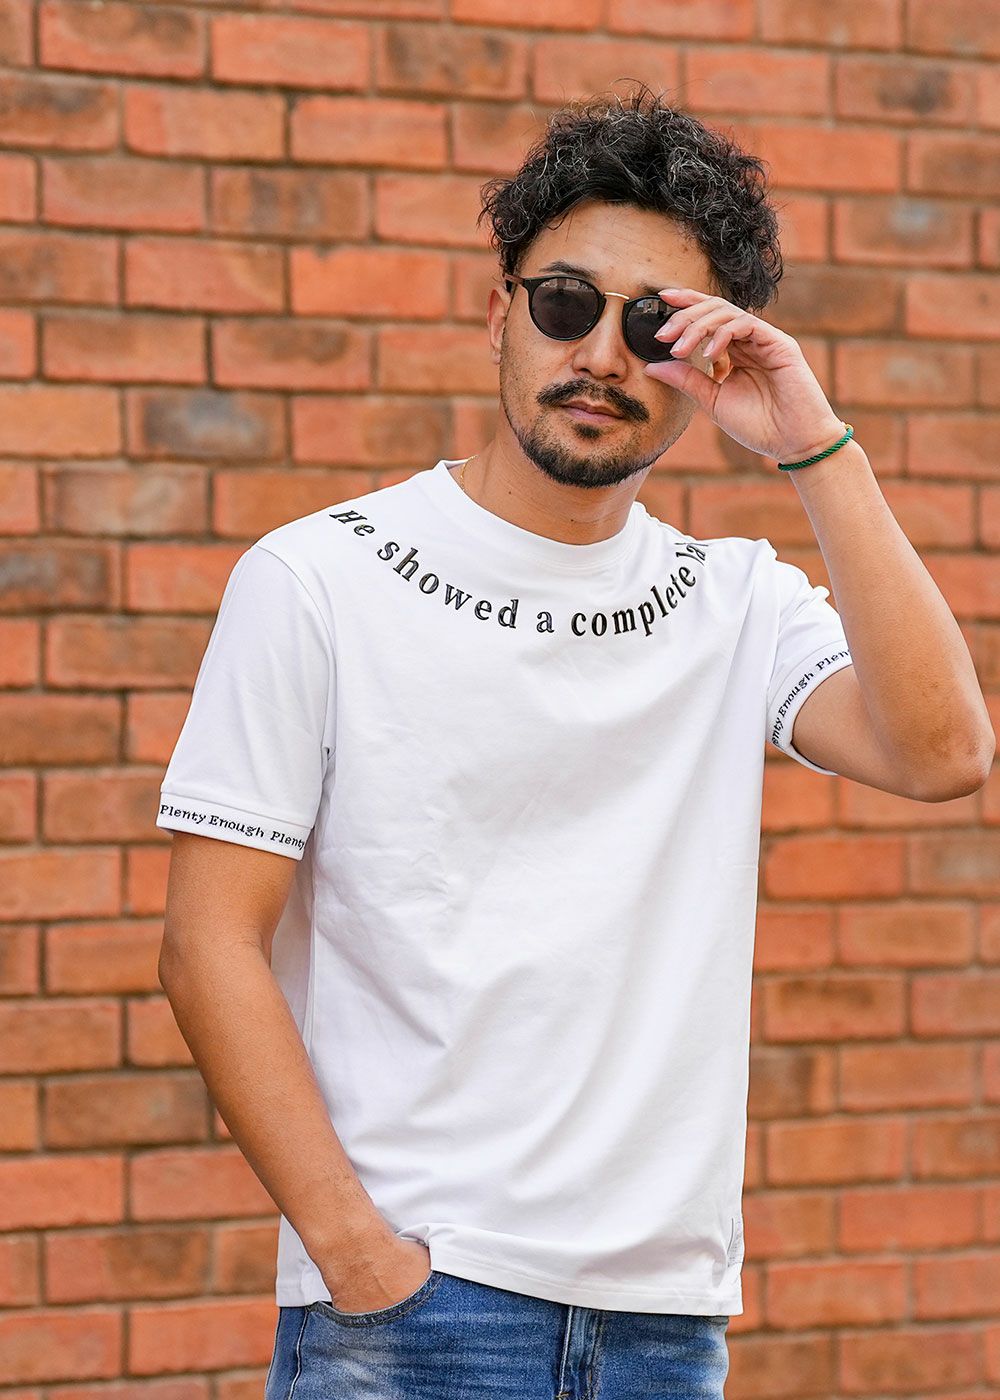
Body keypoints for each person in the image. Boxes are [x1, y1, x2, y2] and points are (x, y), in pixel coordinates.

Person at [155, 85, 994, 1399]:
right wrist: (359, 1255)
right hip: (418, 1309)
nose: (602, 354)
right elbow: (208, 944)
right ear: (500, 312)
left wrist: (815, 446)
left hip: (665, 1321)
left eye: (654, 326)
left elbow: (942, 753)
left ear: (708, 361)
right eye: (565, 303)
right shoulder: (319, 578)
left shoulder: (734, 600)